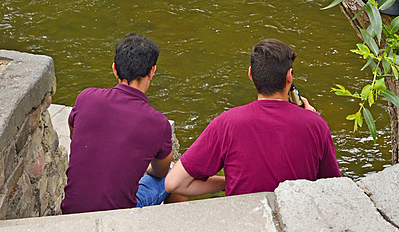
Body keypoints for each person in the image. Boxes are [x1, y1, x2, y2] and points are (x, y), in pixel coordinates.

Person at [165, 38, 341, 199]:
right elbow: (333, 187)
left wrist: (229, 182)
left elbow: (174, 183)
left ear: (251, 74)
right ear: (289, 76)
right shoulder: (316, 124)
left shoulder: (227, 123)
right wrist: (311, 119)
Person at [61, 32, 176, 214]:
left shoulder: (85, 98)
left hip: (71, 212)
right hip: (119, 217)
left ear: (114, 69)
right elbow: (160, 172)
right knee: (174, 174)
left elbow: (74, 137)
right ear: (152, 71)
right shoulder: (158, 123)